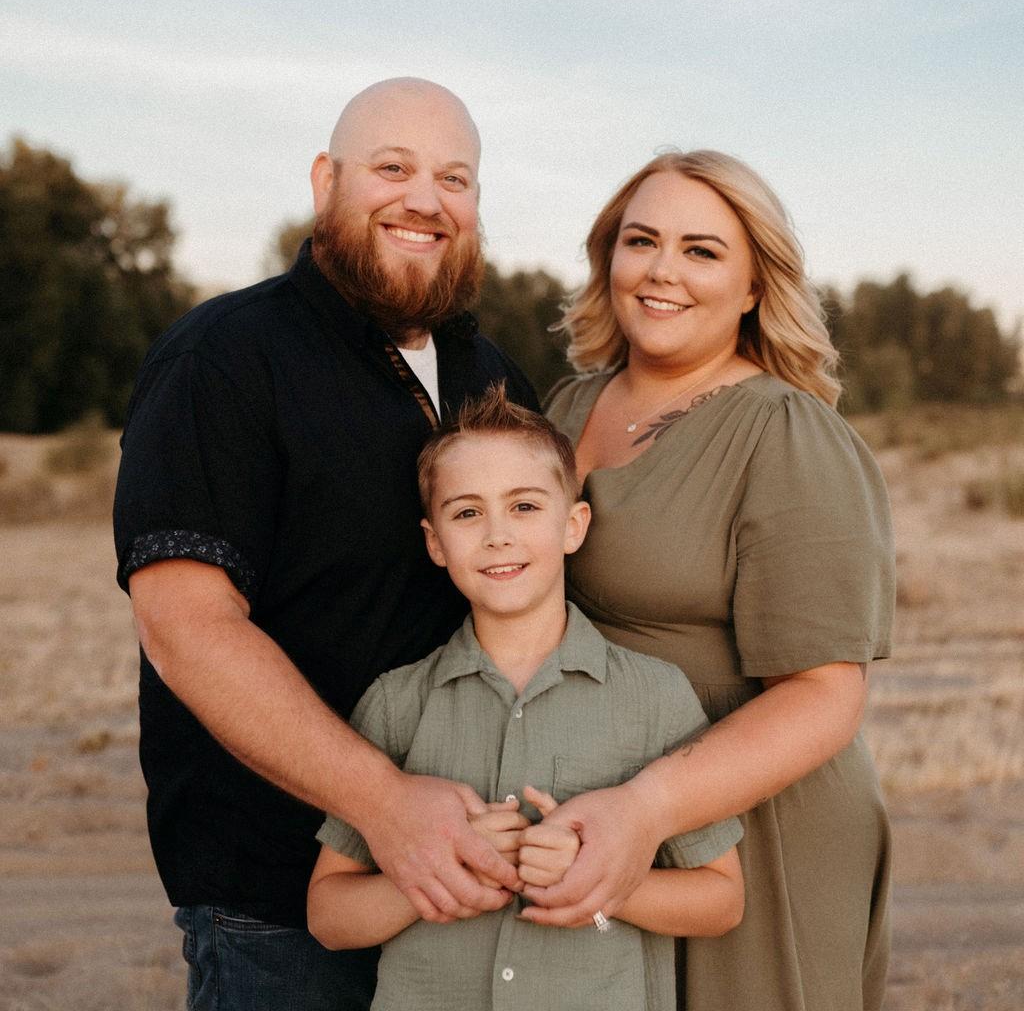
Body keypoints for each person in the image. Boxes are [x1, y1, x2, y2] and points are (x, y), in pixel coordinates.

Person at [113, 78, 539, 1011]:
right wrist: (386, 807)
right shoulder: (222, 359)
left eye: (455, 179)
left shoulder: (492, 376)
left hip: (477, 892)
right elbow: (186, 627)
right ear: (325, 181)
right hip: (280, 912)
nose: (425, 200)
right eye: (393, 168)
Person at [541, 149, 895, 1011]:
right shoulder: (562, 411)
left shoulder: (784, 432)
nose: (663, 271)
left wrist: (648, 809)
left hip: (757, 829)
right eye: (641, 241)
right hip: (598, 817)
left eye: (702, 251)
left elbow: (822, 695)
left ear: (752, 288)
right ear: (608, 260)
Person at [307, 386, 744, 1011]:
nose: (496, 536)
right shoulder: (394, 704)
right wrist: (437, 871)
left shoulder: (656, 697)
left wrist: (601, 882)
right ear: (435, 543)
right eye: (466, 514)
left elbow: (722, 900)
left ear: (574, 525)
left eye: (524, 507)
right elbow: (329, 913)